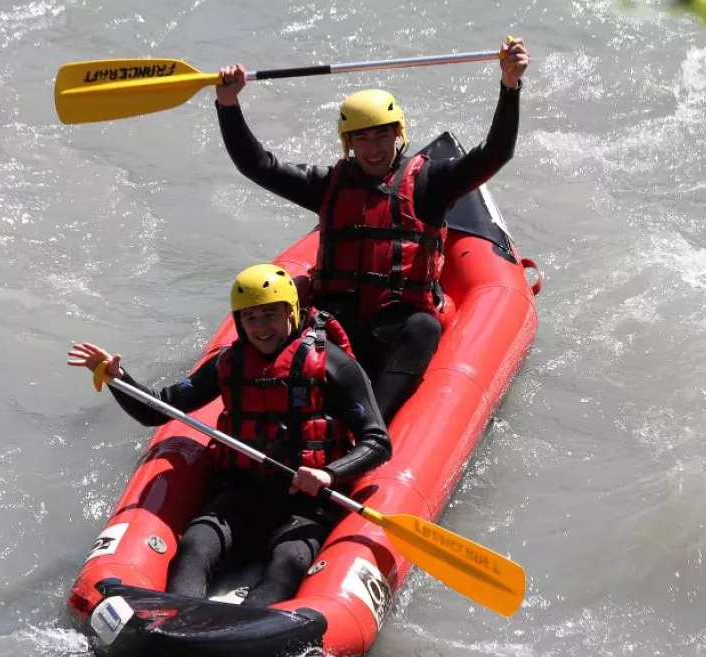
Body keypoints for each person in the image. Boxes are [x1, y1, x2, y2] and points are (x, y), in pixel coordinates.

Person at [211, 38, 530, 422]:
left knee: (424, 327)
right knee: (296, 320)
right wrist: (228, 105)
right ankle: (289, 418)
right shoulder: (328, 184)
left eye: (381, 136)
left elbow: (495, 153)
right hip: (334, 325)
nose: (373, 149)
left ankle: (373, 428)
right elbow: (258, 166)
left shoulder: (432, 183)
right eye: (361, 139)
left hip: (393, 331)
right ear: (348, 143)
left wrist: (509, 86)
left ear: (398, 134)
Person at [67, 264, 391, 607]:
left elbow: (378, 442)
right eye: (250, 318)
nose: (261, 327)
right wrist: (117, 378)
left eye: (270, 315)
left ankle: (250, 633)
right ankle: (176, 622)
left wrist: (329, 473)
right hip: (242, 495)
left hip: (306, 506)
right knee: (195, 543)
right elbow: (157, 409)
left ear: (291, 312)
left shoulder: (333, 365)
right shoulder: (228, 363)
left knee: (288, 562)